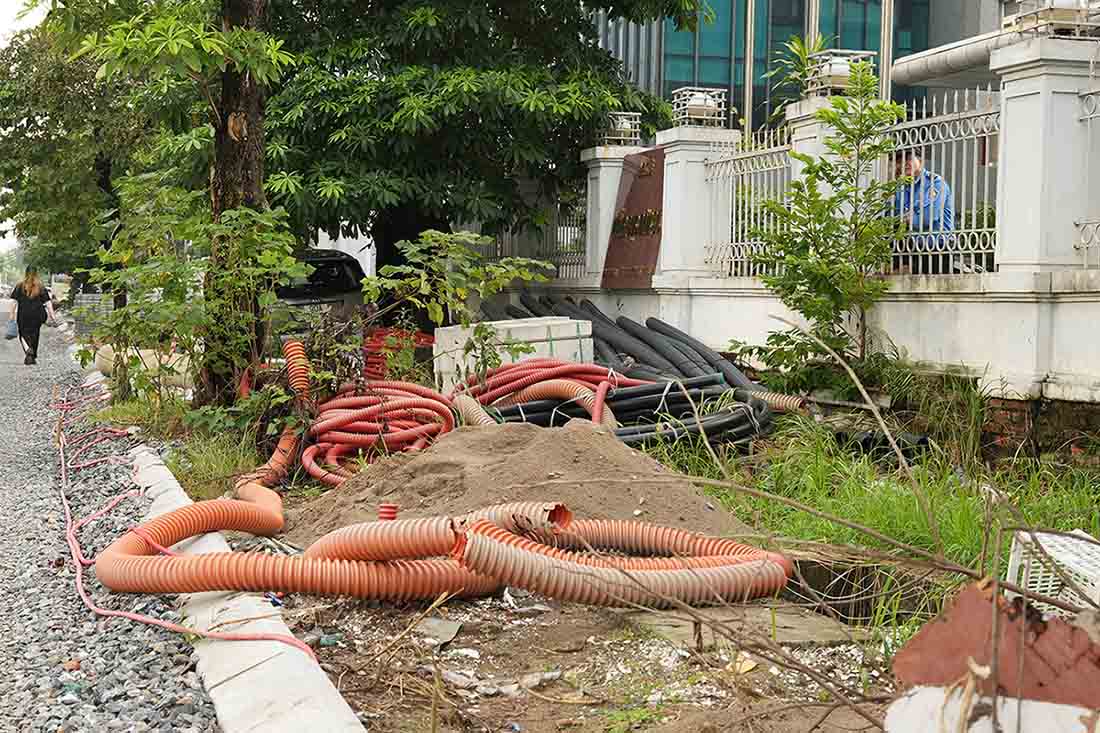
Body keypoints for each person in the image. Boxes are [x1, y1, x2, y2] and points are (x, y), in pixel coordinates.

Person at [892, 150, 955, 274]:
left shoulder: (935, 183)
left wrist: (907, 218)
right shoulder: (901, 188)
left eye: (909, 158)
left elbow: (928, 217)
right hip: (913, 247)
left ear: (920, 161)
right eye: (899, 161)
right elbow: (893, 218)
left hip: (937, 246)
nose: (904, 163)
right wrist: (909, 216)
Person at [8, 266, 56, 365]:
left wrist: (12, 314)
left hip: (24, 315)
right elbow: (48, 302)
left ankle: (28, 350)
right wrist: (52, 315)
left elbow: (13, 302)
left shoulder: (19, 285)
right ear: (36, 273)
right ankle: (32, 356)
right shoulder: (41, 286)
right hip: (38, 315)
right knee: (35, 334)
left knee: (23, 334)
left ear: (26, 273)